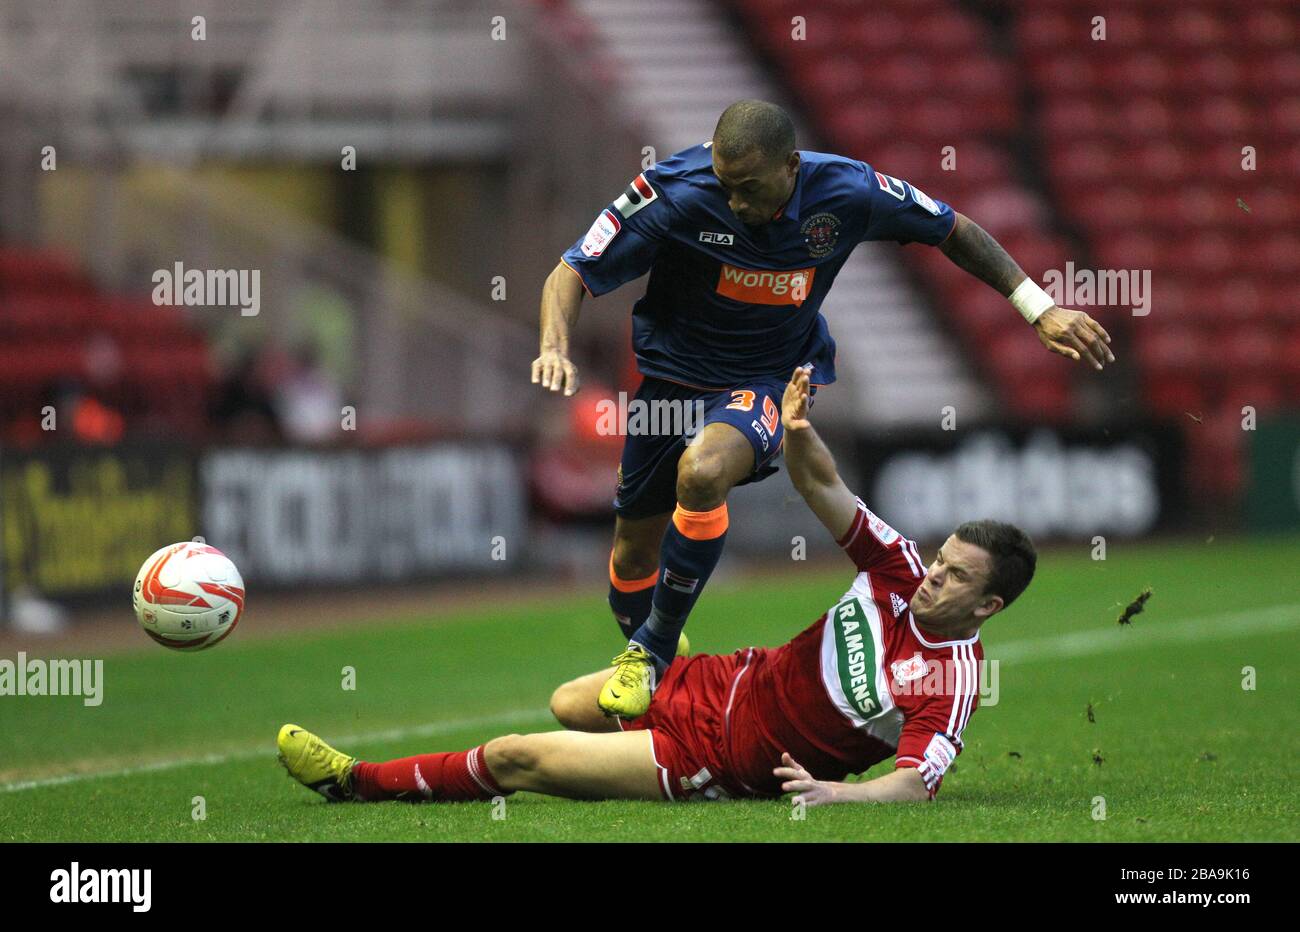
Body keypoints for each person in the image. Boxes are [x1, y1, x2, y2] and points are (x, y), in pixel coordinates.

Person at [531, 99, 1101, 718]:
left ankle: (652, 652)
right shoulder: (672, 190)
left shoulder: (849, 191)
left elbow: (953, 228)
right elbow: (572, 270)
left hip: (767, 380)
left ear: (791, 166)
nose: (737, 203)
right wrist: (554, 349)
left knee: (701, 473)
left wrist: (1037, 306)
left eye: (750, 189)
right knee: (631, 555)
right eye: (726, 187)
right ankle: (659, 678)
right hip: (668, 385)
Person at [278, 366, 1037, 807]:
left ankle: (356, 782)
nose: (934, 576)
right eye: (942, 559)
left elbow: (914, 785)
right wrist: (799, 430)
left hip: (725, 754)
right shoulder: (898, 567)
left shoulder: (949, 676)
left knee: (520, 756)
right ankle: (659, 670)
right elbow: (826, 489)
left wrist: (836, 793)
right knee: (568, 704)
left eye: (956, 576)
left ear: (988, 606)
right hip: (724, 677)